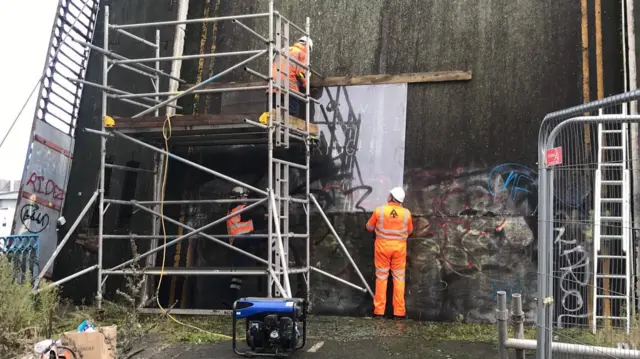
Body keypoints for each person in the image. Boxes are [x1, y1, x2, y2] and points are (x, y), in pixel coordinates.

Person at [365, 187, 413, 319]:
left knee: (381, 278)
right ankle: (399, 312)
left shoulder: (379, 210)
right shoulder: (406, 213)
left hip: (382, 248)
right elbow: (410, 231)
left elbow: (369, 227)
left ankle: (379, 311)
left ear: (391, 197)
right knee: (399, 279)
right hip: (399, 249)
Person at [224, 186, 268, 307]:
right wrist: (268, 214)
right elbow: (256, 213)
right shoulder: (239, 208)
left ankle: (230, 298)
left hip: (240, 242)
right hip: (242, 239)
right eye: (244, 196)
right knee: (268, 233)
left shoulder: (233, 209)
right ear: (238, 197)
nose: (246, 198)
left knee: (239, 273)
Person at [267, 36, 313, 120]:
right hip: (287, 85)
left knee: (273, 111)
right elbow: (301, 73)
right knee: (293, 111)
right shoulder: (301, 53)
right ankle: (288, 128)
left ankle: (275, 127)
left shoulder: (284, 49)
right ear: (308, 47)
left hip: (273, 85)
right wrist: (306, 84)